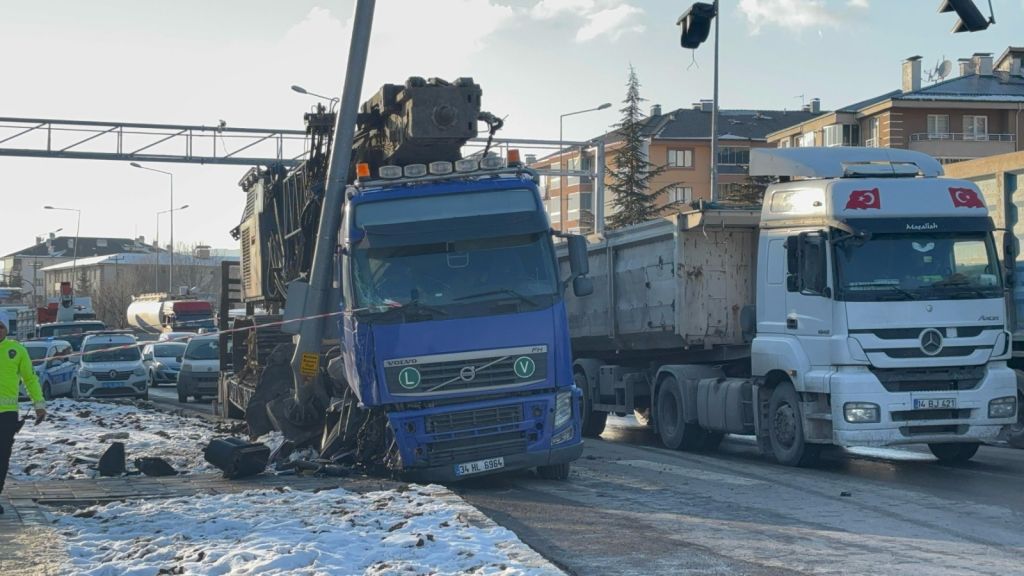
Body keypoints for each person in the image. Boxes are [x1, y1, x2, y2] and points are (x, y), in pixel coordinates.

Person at [0, 310, 46, 514]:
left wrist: (39, 405)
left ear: (5, 330)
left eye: (0, 327)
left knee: (2, 457)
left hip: (7, 414)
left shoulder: (16, 350)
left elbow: (30, 379)